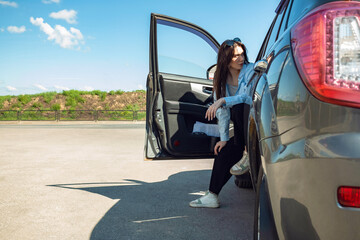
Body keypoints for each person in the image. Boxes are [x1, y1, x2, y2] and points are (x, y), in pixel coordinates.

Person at [189, 38, 253, 208]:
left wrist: (224, 100)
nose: (241, 59)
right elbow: (223, 113)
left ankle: (247, 149)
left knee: (239, 105)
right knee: (225, 151)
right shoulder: (221, 80)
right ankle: (212, 195)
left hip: (255, 125)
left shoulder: (250, 70)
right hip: (241, 131)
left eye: (242, 54)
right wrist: (223, 138)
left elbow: (248, 98)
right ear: (225, 59)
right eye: (235, 56)